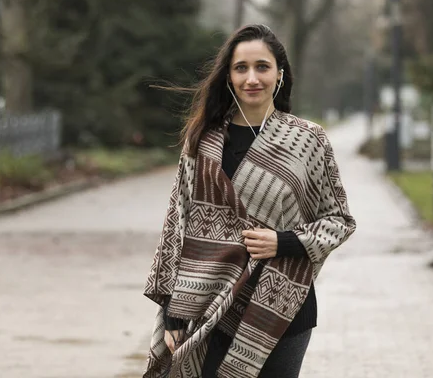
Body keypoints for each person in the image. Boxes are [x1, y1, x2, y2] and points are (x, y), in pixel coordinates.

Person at [143, 24, 356, 378]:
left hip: (283, 307)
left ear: (280, 74)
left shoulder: (308, 141)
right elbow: (177, 228)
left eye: (262, 66)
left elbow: (339, 221)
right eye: (241, 67)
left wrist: (283, 241)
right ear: (228, 75)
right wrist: (173, 311)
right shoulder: (203, 142)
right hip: (208, 306)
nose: (251, 78)